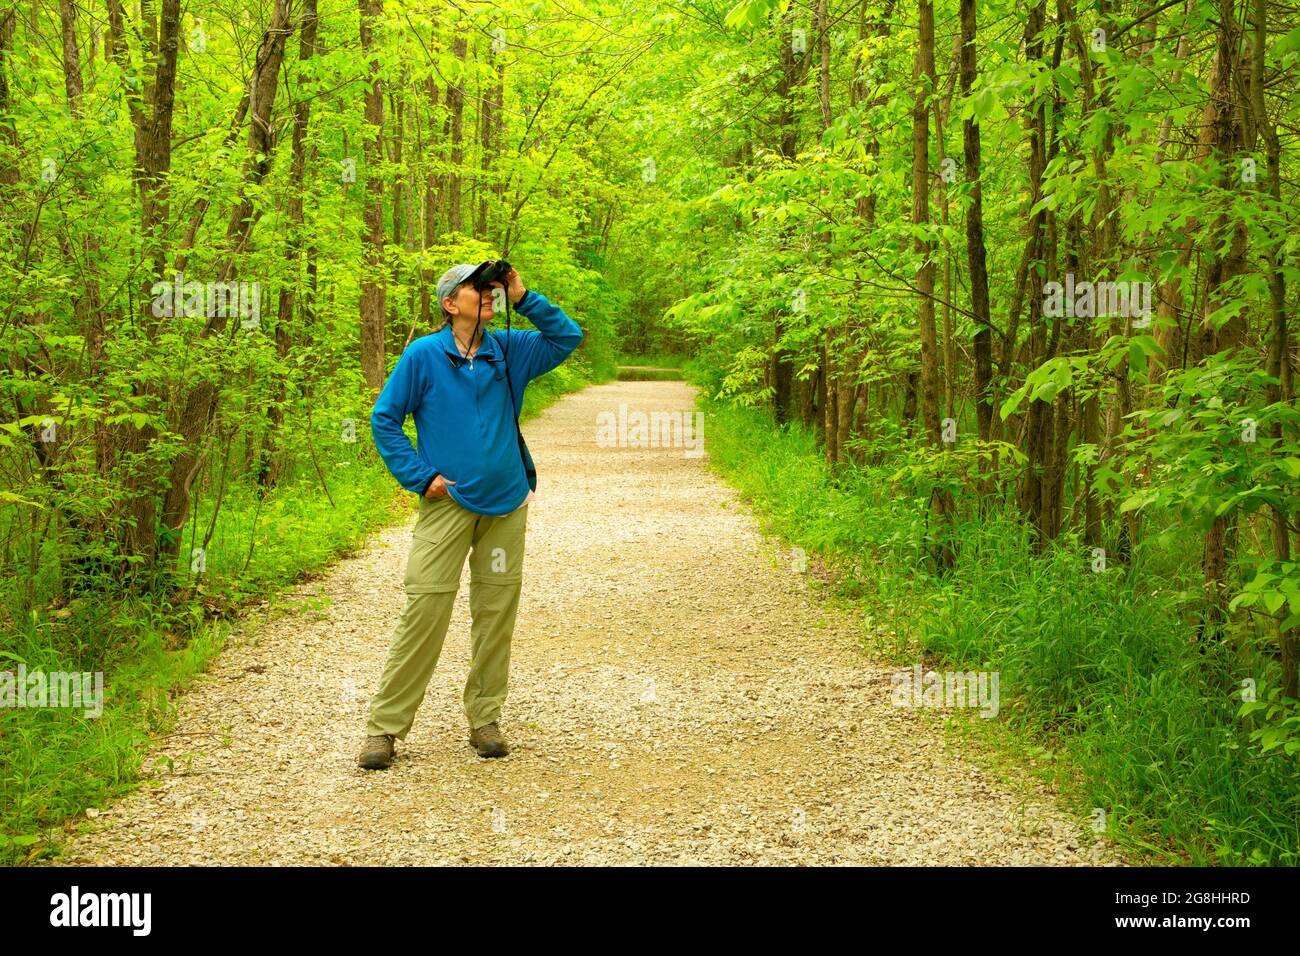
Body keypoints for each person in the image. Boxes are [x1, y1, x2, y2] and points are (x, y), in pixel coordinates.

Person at [358, 262, 583, 768]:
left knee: (495, 612)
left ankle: (485, 720)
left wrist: (525, 296)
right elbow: (384, 420)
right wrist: (421, 477)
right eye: (475, 289)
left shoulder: (511, 349)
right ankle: (384, 729)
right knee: (426, 608)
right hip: (449, 505)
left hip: (506, 505)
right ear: (448, 303)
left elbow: (567, 337)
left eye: (491, 288)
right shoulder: (424, 356)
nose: (487, 295)